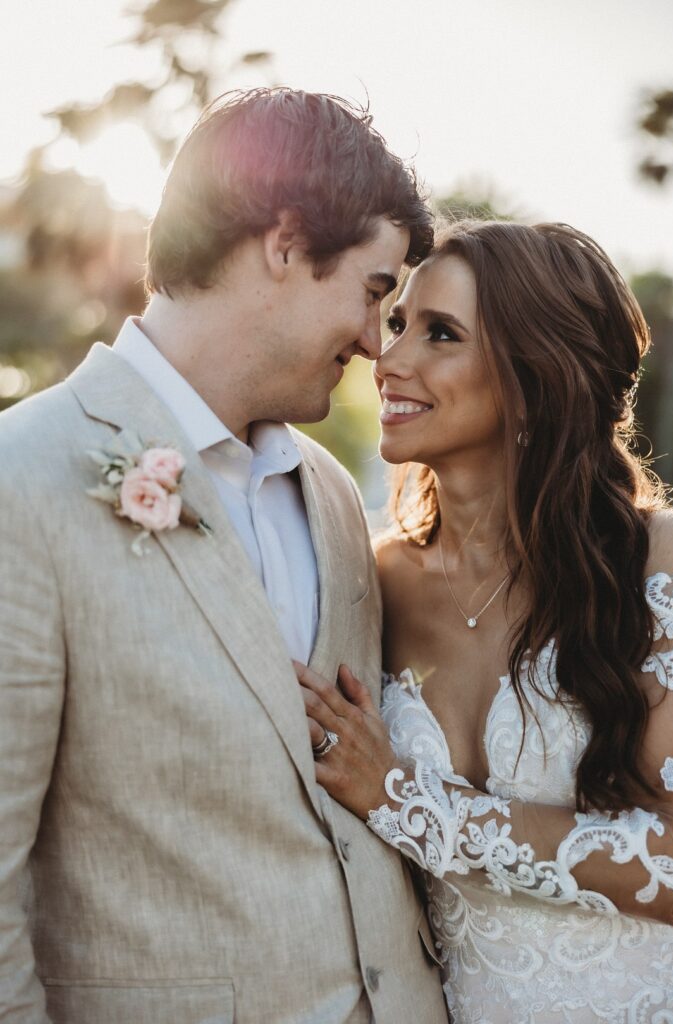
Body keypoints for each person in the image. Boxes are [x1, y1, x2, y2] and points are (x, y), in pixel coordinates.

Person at [0, 88, 450, 1024]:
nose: (377, 343)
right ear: (284, 242)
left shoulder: (329, 492)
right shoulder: (23, 478)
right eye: (374, 293)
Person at [298, 220, 673, 1023]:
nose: (389, 358)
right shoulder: (371, 577)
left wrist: (406, 801)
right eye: (398, 322)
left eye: (440, 334)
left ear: (535, 379)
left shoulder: (662, 563)